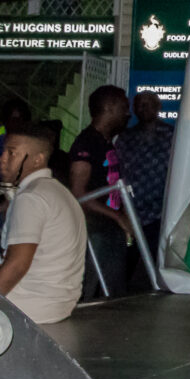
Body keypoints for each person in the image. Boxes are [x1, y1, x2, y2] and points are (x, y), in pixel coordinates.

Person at [0, 124, 87, 324]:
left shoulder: (31, 198)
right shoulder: (59, 191)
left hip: (28, 307)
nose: (3, 159)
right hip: (58, 305)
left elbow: (17, 265)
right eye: (3, 152)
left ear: (38, 159)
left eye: (12, 153)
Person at [68, 85, 131, 296]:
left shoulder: (106, 143)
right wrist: (117, 216)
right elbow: (78, 193)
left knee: (112, 290)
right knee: (92, 290)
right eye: (124, 107)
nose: (127, 113)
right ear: (109, 107)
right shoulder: (86, 143)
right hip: (94, 229)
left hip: (108, 227)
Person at [114, 90, 175, 268]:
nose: (144, 108)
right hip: (131, 213)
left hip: (161, 213)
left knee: (160, 265)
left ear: (158, 106)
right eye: (140, 105)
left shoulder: (172, 135)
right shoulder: (125, 138)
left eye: (148, 104)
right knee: (125, 265)